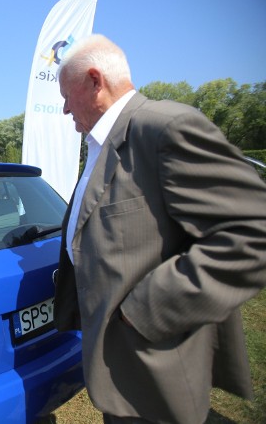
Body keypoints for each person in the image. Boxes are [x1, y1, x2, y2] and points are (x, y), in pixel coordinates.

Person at [53, 34, 266, 424]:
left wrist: (143, 311)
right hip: (118, 362)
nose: (65, 110)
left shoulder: (164, 127)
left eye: (67, 96)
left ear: (95, 81)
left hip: (154, 356)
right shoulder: (101, 145)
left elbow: (253, 231)